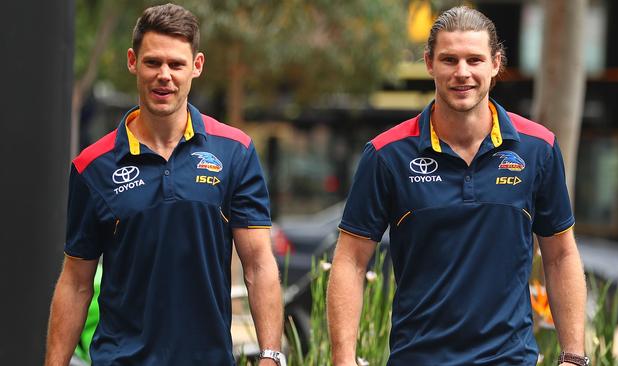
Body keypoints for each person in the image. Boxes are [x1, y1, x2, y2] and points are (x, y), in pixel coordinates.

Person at [327, 6, 588, 366]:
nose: (462, 73)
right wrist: (342, 359)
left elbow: (561, 255)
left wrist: (574, 357)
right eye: (449, 59)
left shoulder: (537, 148)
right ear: (429, 63)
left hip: (509, 359)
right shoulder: (386, 154)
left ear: (495, 64)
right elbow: (350, 261)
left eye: (474, 60)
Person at [45, 4, 285, 366]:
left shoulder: (235, 152)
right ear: (132, 61)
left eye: (176, 65)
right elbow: (76, 282)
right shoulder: (92, 166)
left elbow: (258, 265)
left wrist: (270, 354)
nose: (164, 76)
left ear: (197, 67)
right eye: (153, 62)